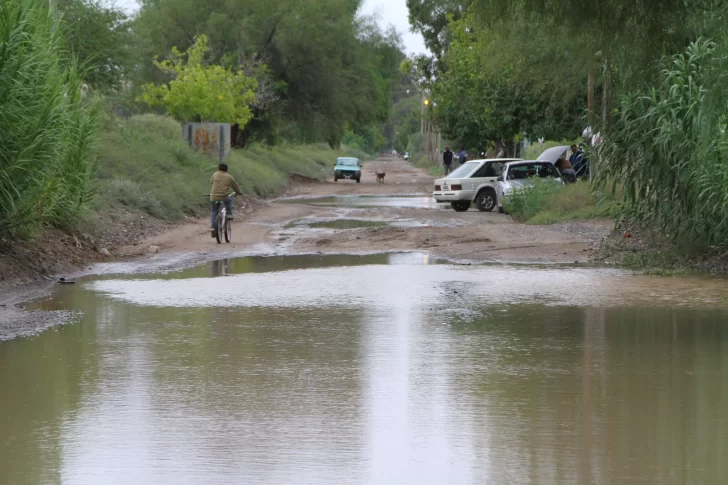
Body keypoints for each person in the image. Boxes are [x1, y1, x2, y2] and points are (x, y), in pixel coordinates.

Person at [209, 163, 242, 238]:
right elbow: (235, 186)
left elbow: (211, 181)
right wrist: (239, 192)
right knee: (229, 200)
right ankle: (229, 215)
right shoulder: (229, 177)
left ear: (218, 168)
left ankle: (213, 228)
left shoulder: (215, 174)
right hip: (224, 197)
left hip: (213, 197)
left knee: (214, 211)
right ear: (227, 170)